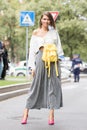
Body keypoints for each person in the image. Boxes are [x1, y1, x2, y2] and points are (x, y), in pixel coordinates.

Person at [21, 11, 64, 125]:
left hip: (53, 61)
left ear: (51, 20)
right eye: (44, 19)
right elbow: (31, 52)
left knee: (52, 87)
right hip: (40, 59)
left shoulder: (54, 32)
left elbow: (59, 48)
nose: (46, 21)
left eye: (48, 19)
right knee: (35, 86)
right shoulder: (36, 32)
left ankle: (51, 115)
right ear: (41, 20)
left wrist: (59, 63)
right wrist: (32, 67)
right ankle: (25, 113)